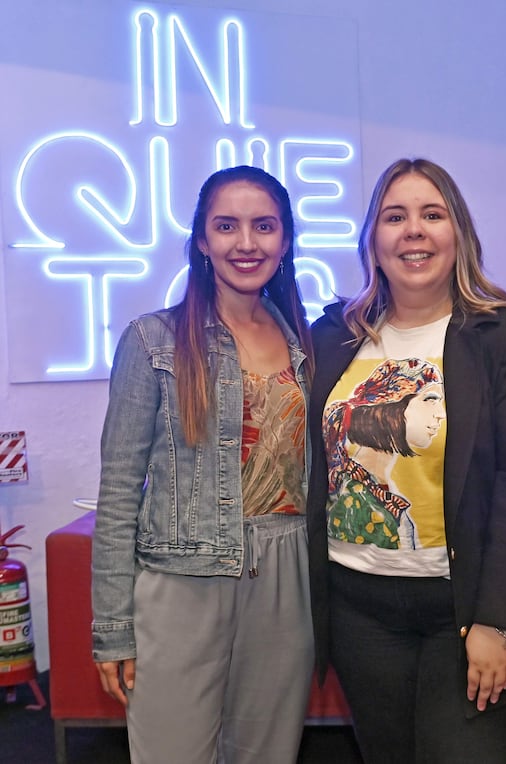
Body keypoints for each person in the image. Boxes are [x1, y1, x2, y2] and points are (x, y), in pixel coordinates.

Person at [306, 157, 506, 763]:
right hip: (357, 610)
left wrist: (500, 623)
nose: (413, 231)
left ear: (460, 235)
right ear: (373, 239)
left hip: (467, 611)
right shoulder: (333, 336)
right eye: (395, 217)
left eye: (432, 215)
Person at [91, 165, 315, 764]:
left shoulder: (307, 340)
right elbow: (117, 492)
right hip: (182, 579)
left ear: (286, 240)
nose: (247, 243)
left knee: (267, 754)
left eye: (264, 226)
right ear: (201, 240)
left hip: (287, 576)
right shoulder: (153, 340)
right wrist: (112, 627)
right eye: (227, 226)